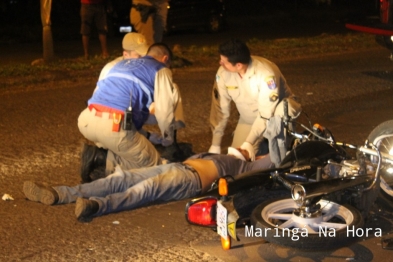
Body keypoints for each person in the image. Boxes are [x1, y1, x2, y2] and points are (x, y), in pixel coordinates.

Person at [22, 148, 273, 222]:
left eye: (249, 151)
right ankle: (58, 193)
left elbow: (274, 159)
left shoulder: (245, 167)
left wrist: (265, 155)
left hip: (190, 181)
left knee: (143, 191)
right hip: (177, 167)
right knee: (119, 179)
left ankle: (96, 206)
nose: (242, 147)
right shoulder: (217, 154)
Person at [78, 43, 185, 183]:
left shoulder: (120, 64)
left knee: (129, 143)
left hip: (86, 119)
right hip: (113, 126)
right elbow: (165, 110)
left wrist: (149, 136)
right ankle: (101, 159)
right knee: (154, 165)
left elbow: (123, 110)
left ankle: (102, 154)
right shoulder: (161, 69)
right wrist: (168, 138)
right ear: (165, 59)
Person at [208, 39, 302, 164]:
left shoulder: (265, 74)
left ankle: (283, 157)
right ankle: (262, 149)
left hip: (274, 116)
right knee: (237, 161)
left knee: (275, 156)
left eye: (224, 62)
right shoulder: (223, 73)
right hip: (249, 118)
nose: (220, 63)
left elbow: (266, 114)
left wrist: (249, 142)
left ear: (239, 65)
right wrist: (215, 144)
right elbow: (220, 110)